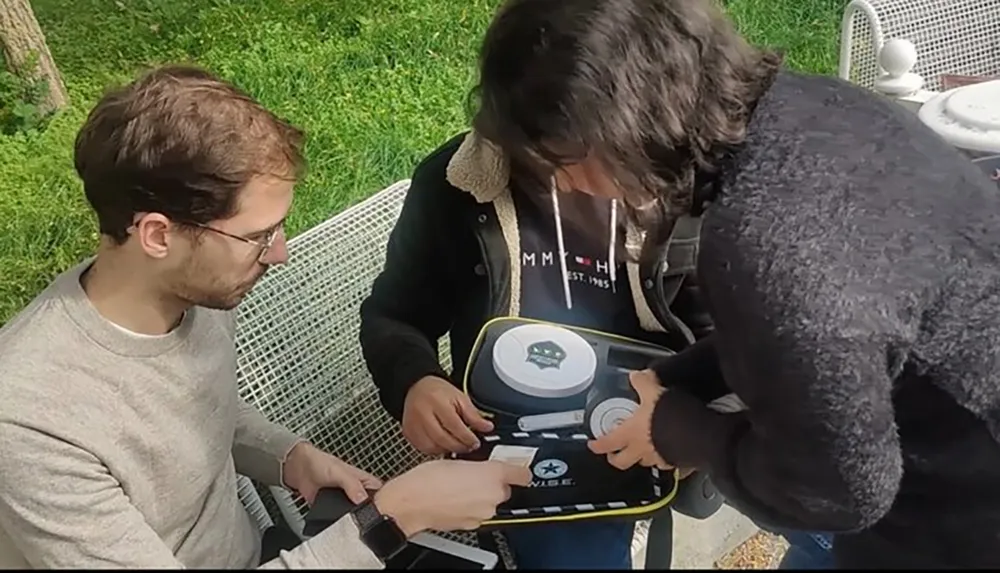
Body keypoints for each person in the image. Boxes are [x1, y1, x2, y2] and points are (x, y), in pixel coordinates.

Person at [462, 0, 1000, 569]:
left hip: (957, 516)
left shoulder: (762, 239)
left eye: (556, 163)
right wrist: (679, 378)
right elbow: (842, 322)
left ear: (606, 133)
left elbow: (840, 492)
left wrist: (678, 431)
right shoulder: (817, 105)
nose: (567, 187)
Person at [0, 64, 532, 569]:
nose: (278, 254)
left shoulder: (188, 294)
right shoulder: (31, 421)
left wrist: (290, 456)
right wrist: (392, 519)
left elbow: (195, 409)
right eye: (256, 236)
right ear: (158, 235)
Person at [358, 1, 740, 569]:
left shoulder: (691, 193)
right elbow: (393, 315)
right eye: (548, 158)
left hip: (652, 428)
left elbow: (750, 345)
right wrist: (414, 381)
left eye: (593, 157)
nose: (569, 185)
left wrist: (702, 428)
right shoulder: (457, 188)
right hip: (515, 450)